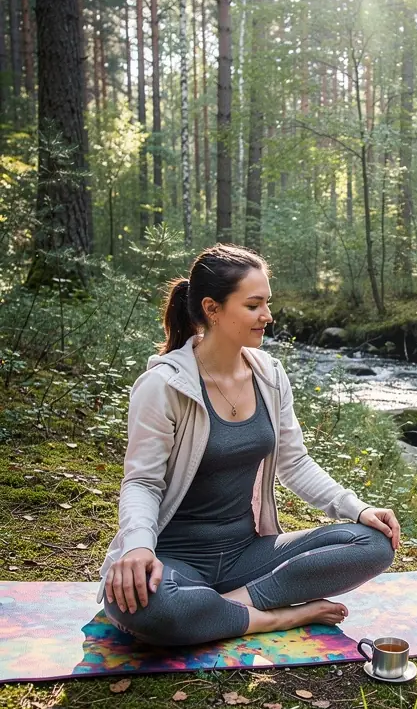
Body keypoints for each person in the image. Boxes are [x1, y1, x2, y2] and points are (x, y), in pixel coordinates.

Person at [99, 244, 400, 646]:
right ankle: (273, 617)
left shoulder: (270, 375)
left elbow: (295, 463)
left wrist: (358, 509)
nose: (268, 316)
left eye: (267, 304)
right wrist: (136, 548)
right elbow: (142, 483)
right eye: (254, 305)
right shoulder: (164, 386)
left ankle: (221, 609)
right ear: (212, 308)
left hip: (247, 554)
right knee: (142, 605)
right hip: (173, 558)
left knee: (374, 545)